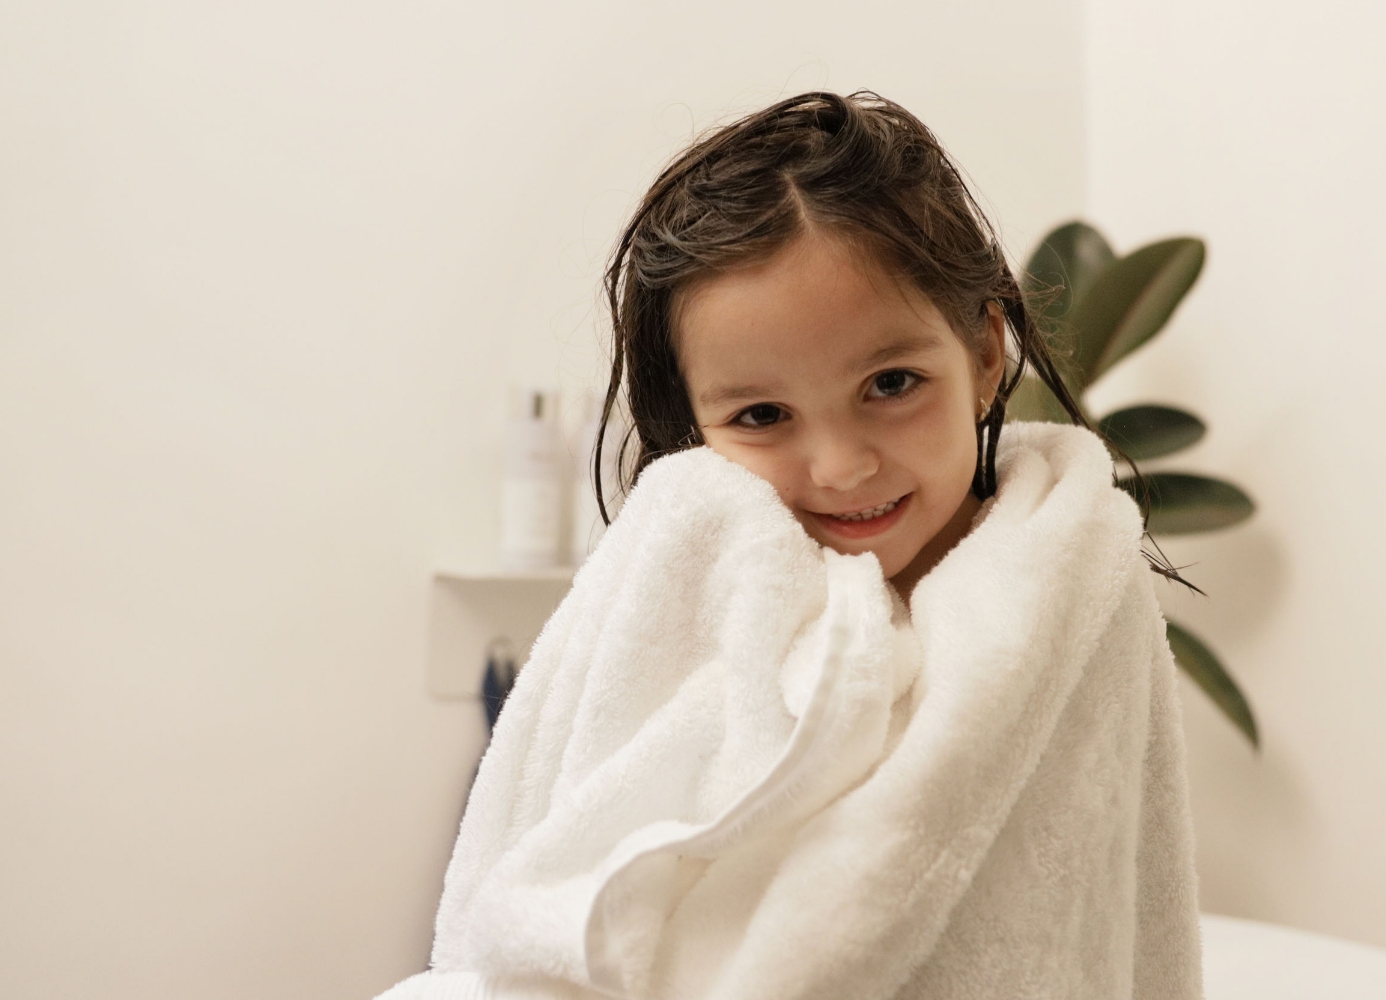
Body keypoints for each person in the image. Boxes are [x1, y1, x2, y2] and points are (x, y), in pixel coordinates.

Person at [380, 90, 1201, 1000]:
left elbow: (1117, 901)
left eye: (891, 383)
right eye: (762, 415)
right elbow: (555, 853)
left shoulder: (1074, 574)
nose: (843, 467)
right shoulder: (684, 563)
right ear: (695, 425)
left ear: (982, 355)